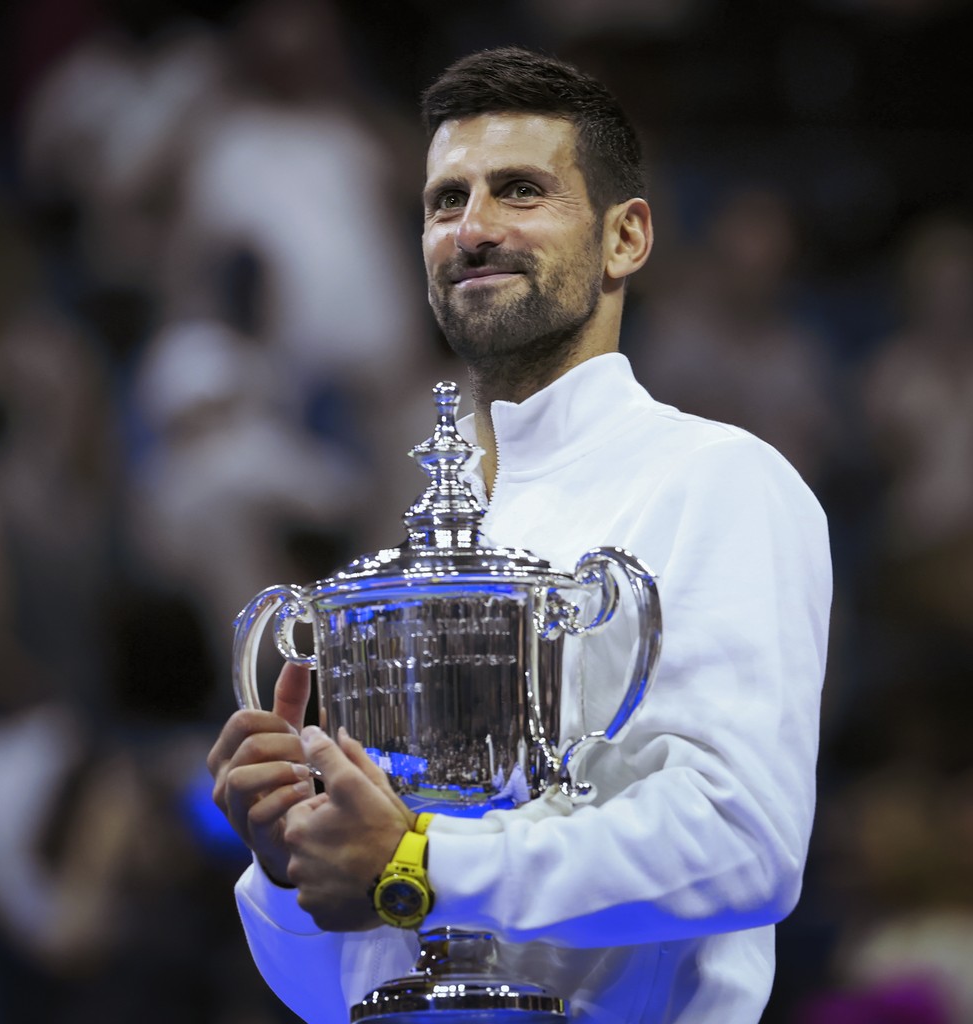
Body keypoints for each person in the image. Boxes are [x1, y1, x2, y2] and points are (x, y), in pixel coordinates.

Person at [206, 47, 831, 1023]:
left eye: (520, 190)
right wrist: (294, 864)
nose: (474, 228)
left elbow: (741, 841)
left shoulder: (716, 479)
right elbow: (345, 995)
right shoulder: (427, 549)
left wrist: (420, 859)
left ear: (626, 238)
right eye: (445, 200)